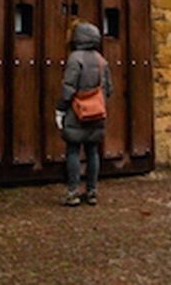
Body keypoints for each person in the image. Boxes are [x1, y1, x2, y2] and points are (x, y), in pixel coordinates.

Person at [55, 19, 112, 206]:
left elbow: (68, 87)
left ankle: (73, 193)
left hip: (76, 111)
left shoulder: (75, 58)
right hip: (97, 111)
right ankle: (92, 191)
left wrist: (61, 109)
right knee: (92, 151)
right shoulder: (101, 60)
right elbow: (108, 89)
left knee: (73, 150)